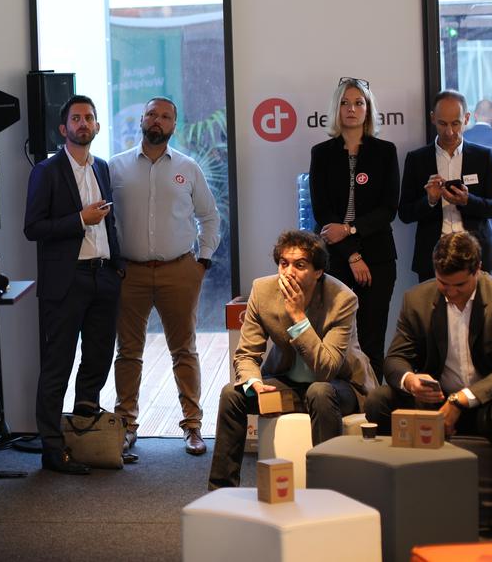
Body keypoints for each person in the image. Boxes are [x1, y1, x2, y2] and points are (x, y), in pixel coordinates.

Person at [364, 232, 492, 519]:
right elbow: (395, 359)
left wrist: (461, 400)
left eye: (459, 285)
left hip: (487, 403)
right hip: (435, 403)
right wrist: (411, 381)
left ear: (477, 269)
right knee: (379, 400)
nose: (451, 293)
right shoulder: (417, 299)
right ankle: (396, 507)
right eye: (443, 284)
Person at [207, 230, 375, 489]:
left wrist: (298, 317)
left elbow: (327, 369)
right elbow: (247, 353)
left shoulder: (342, 299)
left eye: (300, 265)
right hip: (289, 387)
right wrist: (254, 382)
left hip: (339, 387)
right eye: (284, 263)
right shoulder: (263, 290)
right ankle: (220, 492)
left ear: (318, 272)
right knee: (233, 394)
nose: (288, 272)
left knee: (319, 391)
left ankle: (325, 491)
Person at [109, 97, 221, 457]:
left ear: (174, 125)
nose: (158, 120)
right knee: (128, 352)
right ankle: (126, 425)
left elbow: (209, 217)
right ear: (142, 119)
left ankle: (193, 426)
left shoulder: (188, 167)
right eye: (152, 114)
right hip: (130, 273)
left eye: (166, 116)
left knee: (184, 350)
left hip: (179, 271)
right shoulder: (115, 167)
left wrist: (202, 260)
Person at [24, 95, 122, 475]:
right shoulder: (46, 171)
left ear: (96, 126)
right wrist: (80, 219)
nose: (83, 123)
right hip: (67, 281)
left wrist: (117, 268)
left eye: (89, 118)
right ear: (64, 128)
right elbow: (33, 228)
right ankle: (52, 449)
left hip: (104, 277)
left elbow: (110, 223)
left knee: (97, 360)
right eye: (76, 118)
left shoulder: (102, 168)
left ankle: (87, 439)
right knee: (58, 365)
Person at [309, 76, 400, 375]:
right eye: (345, 103)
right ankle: (338, 397)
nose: (351, 109)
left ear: (368, 109)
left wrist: (350, 230)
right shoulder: (321, 153)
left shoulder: (385, 151)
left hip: (378, 257)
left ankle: (372, 398)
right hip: (335, 257)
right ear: (336, 109)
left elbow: (388, 209)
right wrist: (351, 254)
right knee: (334, 339)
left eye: (359, 103)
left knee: (372, 339)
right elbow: (323, 212)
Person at [398, 89, 492, 283]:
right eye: (442, 123)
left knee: (481, 304)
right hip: (433, 256)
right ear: (432, 118)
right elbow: (404, 214)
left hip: (477, 255)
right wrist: (430, 200)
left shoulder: (483, 157)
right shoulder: (417, 159)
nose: (449, 132)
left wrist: (467, 201)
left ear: (467, 119)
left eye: (455, 123)